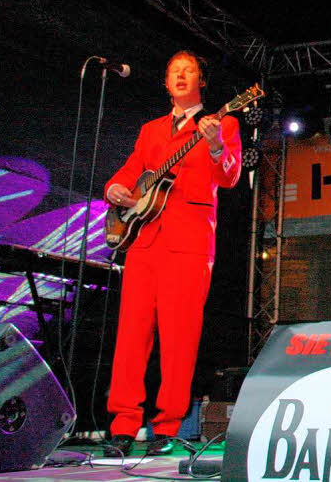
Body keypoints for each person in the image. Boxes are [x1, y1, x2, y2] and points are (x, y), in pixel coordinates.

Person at [104, 51, 242, 455]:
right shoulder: (150, 131)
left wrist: (216, 145)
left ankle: (166, 427)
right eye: (174, 72)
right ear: (166, 83)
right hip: (144, 241)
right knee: (130, 337)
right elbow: (131, 172)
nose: (181, 76)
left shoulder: (224, 122)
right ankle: (123, 425)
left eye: (189, 71)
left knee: (180, 339)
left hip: (190, 242)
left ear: (202, 81)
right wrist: (115, 188)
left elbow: (230, 176)